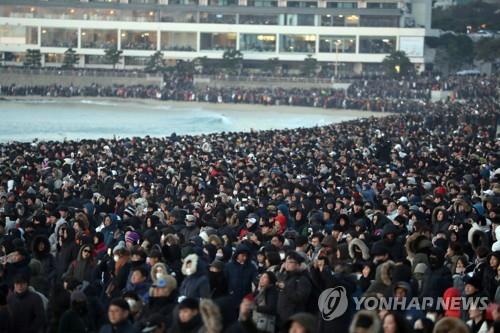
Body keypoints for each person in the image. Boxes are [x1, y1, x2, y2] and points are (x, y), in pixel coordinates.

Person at [277, 251, 311, 323]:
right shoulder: (287, 276)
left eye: (290, 262)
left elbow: (300, 298)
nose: (287, 264)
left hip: (293, 318)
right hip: (281, 317)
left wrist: (285, 287)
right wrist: (281, 271)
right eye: (286, 261)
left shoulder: (302, 279)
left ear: (298, 265)